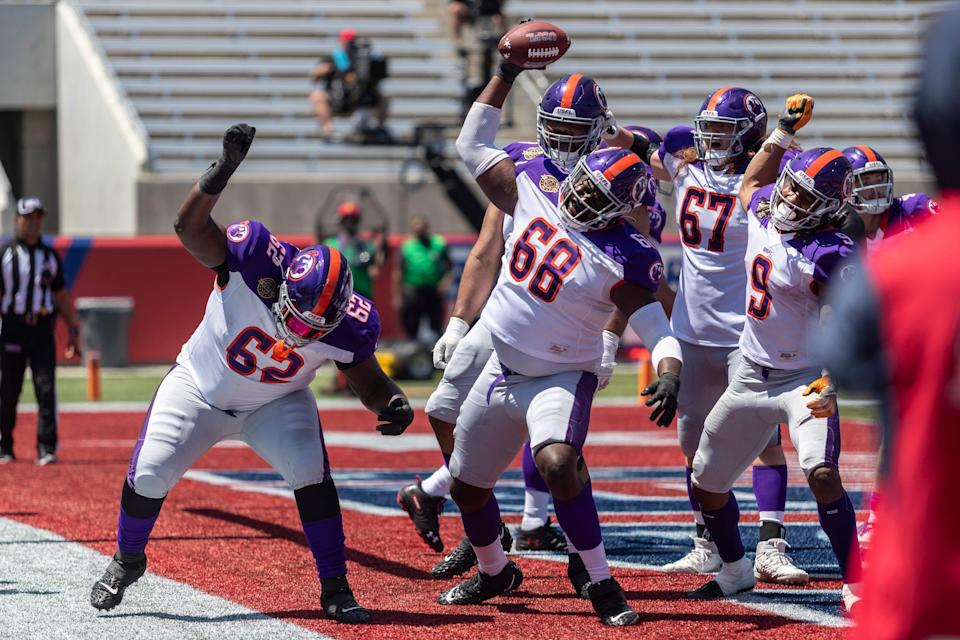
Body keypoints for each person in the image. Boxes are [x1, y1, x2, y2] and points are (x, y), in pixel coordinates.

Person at [87, 124, 414, 624]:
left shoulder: (351, 326)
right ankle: (128, 558)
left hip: (276, 403)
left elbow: (366, 378)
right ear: (284, 285)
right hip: (199, 386)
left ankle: (336, 585)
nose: (301, 329)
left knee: (311, 473)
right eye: (298, 314)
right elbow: (189, 228)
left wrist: (390, 401)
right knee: (149, 473)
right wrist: (224, 170)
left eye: (316, 326)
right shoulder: (253, 258)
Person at [440, 53, 682, 627]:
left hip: (559, 374)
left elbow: (655, 325)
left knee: (557, 462)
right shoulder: (533, 179)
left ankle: (599, 579)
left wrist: (669, 370)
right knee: (466, 488)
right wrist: (504, 72)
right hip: (500, 364)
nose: (580, 200)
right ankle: (496, 567)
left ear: (623, 209)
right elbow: (470, 148)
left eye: (597, 198)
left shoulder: (627, 252)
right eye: (581, 189)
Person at [398, 74, 627, 580]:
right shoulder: (523, 164)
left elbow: (632, 271)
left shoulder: (618, 177)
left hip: (566, 324)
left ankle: (552, 530)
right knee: (441, 410)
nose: (565, 144)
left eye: (577, 132)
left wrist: (611, 334)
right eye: (556, 131)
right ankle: (480, 519)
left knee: (551, 437)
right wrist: (458, 323)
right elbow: (486, 249)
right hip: (509, 309)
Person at [605, 88, 807, 584]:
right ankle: (706, 542)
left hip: (748, 332)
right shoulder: (685, 160)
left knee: (764, 439)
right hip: (692, 331)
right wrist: (613, 132)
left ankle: (772, 543)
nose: (711, 139)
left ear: (750, 136)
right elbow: (639, 146)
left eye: (722, 131)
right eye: (708, 129)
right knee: (691, 440)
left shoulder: (770, 178)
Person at [686, 97, 864, 614]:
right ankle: (737, 569)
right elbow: (751, 183)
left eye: (801, 195)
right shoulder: (766, 211)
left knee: (822, 472)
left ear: (829, 205)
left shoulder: (831, 251)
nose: (786, 197)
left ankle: (855, 581)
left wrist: (834, 372)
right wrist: (783, 132)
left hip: (804, 378)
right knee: (706, 482)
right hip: (749, 373)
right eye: (789, 186)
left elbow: (850, 319)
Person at [819, 10, 960, 634]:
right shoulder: (846, 240)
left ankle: (881, 508)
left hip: (924, 571)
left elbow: (849, 354)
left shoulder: (916, 233)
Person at [837, 144, 938, 548]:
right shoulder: (841, 232)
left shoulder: (916, 210)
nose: (876, 188)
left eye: (880, 178)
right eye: (866, 181)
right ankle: (881, 513)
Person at [0, 197, 80, 465]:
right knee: (8, 388)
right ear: (18, 220)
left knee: (45, 388)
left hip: (42, 330)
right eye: (28, 218)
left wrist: (72, 328)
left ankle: (46, 447)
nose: (34, 223)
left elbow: (60, 295)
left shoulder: (49, 256)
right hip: (12, 327)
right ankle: (5, 446)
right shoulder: (5, 254)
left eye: (38, 218)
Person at [309, 29, 389, 138]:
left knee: (383, 98)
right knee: (317, 96)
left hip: (358, 99)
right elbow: (314, 77)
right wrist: (321, 71)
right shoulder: (334, 58)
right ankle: (328, 129)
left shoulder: (364, 60)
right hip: (337, 98)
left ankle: (379, 129)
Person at [395, 217, 451, 342]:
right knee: (411, 324)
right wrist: (398, 296)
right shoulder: (407, 247)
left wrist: (445, 283)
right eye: (417, 230)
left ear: (426, 229)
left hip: (433, 290)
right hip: (413, 290)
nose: (420, 233)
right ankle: (412, 348)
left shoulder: (438, 244)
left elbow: (449, 267)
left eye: (422, 230)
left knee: (436, 325)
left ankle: (436, 350)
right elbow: (398, 272)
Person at [323, 201, 386, 301]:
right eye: (347, 220)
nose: (350, 223)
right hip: (338, 297)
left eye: (353, 220)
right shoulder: (330, 244)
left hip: (362, 296)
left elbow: (377, 264)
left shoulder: (366, 245)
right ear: (341, 221)